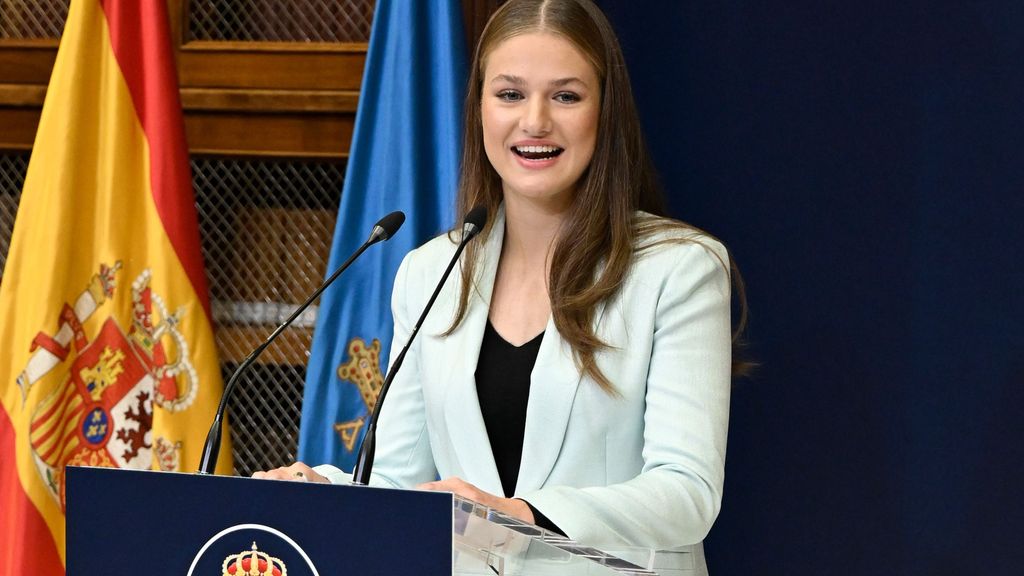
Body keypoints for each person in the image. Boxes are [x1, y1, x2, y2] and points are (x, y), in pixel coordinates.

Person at [255, 0, 745, 573]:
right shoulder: (430, 271)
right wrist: (321, 490)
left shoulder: (678, 270)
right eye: (510, 94)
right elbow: (396, 479)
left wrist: (521, 515)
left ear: (605, 112)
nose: (534, 121)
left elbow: (687, 494)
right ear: (480, 108)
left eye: (566, 95)